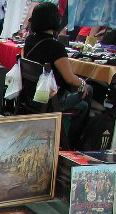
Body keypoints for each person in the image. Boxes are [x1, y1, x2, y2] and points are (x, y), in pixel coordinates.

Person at [23, 2, 92, 142]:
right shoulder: (56, 47)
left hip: (29, 95)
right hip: (47, 100)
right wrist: (82, 83)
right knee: (88, 91)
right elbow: (70, 78)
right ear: (55, 20)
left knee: (82, 101)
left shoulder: (29, 40)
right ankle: (73, 142)